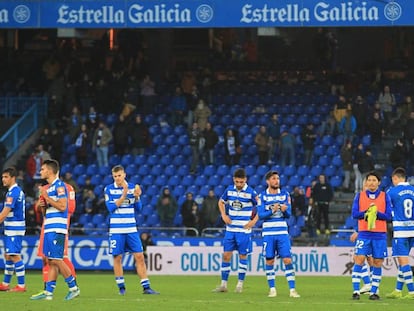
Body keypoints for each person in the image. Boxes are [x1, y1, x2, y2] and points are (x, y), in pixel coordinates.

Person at [104, 165, 159, 295]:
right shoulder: (109, 189)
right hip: (116, 230)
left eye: (119, 176)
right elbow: (111, 208)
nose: (117, 178)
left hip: (131, 229)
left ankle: (146, 287)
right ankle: (121, 287)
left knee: (139, 256)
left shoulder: (134, 187)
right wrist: (124, 194)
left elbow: (139, 208)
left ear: (124, 175)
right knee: (117, 258)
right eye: (115, 176)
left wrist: (137, 197)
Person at [30, 159, 80, 301]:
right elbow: (47, 213)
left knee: (57, 260)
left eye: (43, 169)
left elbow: (63, 206)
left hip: (58, 229)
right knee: (51, 260)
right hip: (49, 227)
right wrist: (43, 206)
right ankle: (48, 292)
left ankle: (73, 288)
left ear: (50, 171)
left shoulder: (59, 186)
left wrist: (46, 198)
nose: (41, 171)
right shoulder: (49, 187)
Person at [213, 168, 258, 293]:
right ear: (234, 180)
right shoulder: (229, 190)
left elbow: (261, 207)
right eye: (237, 182)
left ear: (245, 180)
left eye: (241, 182)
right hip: (230, 229)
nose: (239, 184)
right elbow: (221, 202)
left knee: (242, 256)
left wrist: (253, 222)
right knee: (226, 255)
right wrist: (223, 215)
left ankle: (239, 284)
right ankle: (223, 285)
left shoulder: (251, 192)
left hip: (244, 231)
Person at [257, 170, 300, 298]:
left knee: (287, 259)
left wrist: (284, 210)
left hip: (282, 232)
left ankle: (292, 290)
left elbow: (288, 214)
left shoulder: (285, 195)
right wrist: (273, 210)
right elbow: (260, 215)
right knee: (269, 261)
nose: (276, 181)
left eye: (278, 178)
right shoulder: (262, 196)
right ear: (268, 181)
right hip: (268, 233)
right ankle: (272, 289)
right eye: (274, 179)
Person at [350, 171, 392, 300]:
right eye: (369, 180)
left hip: (379, 235)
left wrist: (377, 213)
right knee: (359, 259)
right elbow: (355, 214)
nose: (371, 182)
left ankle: (374, 292)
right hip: (364, 233)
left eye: (374, 180)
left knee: (377, 262)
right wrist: (367, 213)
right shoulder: (360, 196)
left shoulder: (385, 196)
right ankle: (356, 291)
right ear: (366, 182)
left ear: (379, 183)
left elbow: (389, 216)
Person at [35, 181, 77, 290]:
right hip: (47, 224)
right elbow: (38, 208)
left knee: (60, 257)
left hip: (60, 224)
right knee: (46, 257)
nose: (41, 172)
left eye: (43, 169)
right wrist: (40, 205)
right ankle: (47, 288)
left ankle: (73, 285)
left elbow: (70, 208)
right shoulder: (44, 188)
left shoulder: (67, 187)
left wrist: (49, 201)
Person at [385, 167, 414, 299]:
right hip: (413, 229)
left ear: (395, 178)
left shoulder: (392, 191)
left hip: (401, 230)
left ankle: (412, 292)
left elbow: (385, 207)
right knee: (404, 261)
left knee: (403, 261)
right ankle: (397, 290)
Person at [0, 167, 26, 292]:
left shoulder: (13, 192)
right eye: (2, 177)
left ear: (12, 178)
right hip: (12, 227)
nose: (3, 180)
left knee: (14, 255)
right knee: (8, 255)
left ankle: (21, 285)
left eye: (5, 177)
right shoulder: (14, 191)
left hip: (14, 227)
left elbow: (4, 213)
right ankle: (5, 283)